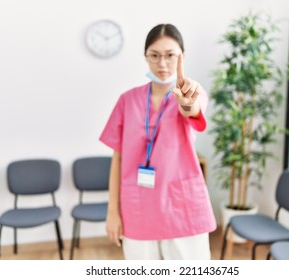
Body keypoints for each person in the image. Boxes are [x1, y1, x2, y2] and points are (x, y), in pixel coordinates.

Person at [99, 23, 216, 260]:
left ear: (182, 56)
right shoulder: (127, 100)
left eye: (170, 55)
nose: (162, 64)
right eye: (154, 55)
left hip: (182, 208)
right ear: (145, 56)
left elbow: (192, 110)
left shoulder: (192, 93)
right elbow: (118, 158)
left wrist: (186, 102)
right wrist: (113, 211)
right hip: (138, 207)